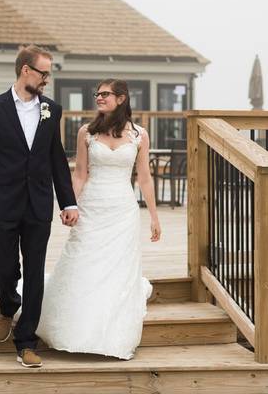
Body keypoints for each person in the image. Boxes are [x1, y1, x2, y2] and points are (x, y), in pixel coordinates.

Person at [0, 45, 78, 368]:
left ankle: (26, 342)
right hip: (4, 202)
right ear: (26, 70)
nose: (47, 80)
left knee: (36, 271)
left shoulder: (52, 110)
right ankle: (8, 304)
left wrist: (68, 202)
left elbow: (56, 159)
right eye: (43, 73)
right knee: (1, 259)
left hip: (39, 204)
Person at [36, 78, 161, 359]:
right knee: (83, 261)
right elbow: (80, 173)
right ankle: (73, 328)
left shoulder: (140, 135)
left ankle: (110, 334)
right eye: (97, 94)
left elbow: (144, 178)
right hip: (92, 207)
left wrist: (154, 216)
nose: (99, 98)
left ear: (121, 98)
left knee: (118, 269)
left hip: (122, 210)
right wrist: (70, 204)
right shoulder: (86, 133)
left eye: (105, 94)